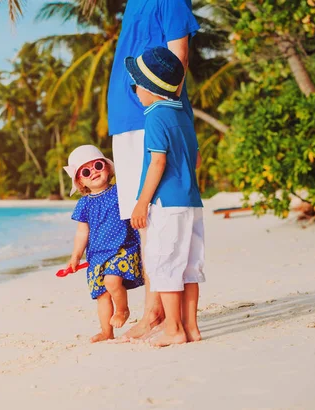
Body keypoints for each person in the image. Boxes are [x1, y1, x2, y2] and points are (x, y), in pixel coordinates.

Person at [107, 0, 200, 340]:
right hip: (127, 119)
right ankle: (158, 313)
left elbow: (179, 57)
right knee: (144, 221)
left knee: (153, 221)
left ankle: (156, 314)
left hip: (149, 115)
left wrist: (168, 110)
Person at [125, 46, 205, 346]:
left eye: (136, 83)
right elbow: (195, 159)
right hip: (191, 203)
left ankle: (174, 330)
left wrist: (141, 203)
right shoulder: (183, 115)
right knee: (190, 268)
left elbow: (157, 162)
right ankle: (191, 327)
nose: (135, 90)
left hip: (166, 204)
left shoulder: (155, 117)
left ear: (148, 88)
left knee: (165, 266)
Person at [64, 145, 144, 343]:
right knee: (101, 295)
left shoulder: (120, 192)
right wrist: (75, 256)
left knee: (111, 281)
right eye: (86, 171)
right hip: (97, 255)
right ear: (80, 181)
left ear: (108, 169)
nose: (94, 172)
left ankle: (123, 309)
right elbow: (83, 232)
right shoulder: (84, 204)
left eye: (98, 165)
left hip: (123, 247)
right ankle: (106, 331)